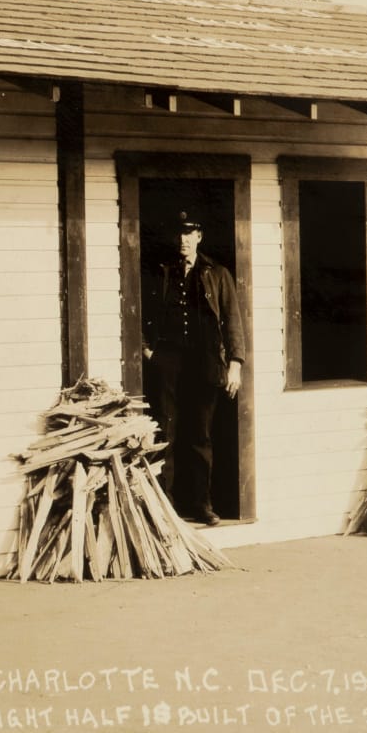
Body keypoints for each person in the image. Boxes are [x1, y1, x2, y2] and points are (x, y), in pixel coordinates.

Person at [141, 209, 245, 525]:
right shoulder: (162, 271)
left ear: (199, 236)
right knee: (166, 431)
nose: (183, 239)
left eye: (189, 233)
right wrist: (148, 351)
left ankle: (202, 505)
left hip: (205, 361)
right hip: (169, 362)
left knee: (200, 435)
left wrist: (236, 364)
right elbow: (141, 310)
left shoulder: (218, 273)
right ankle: (166, 508)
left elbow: (233, 321)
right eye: (179, 233)